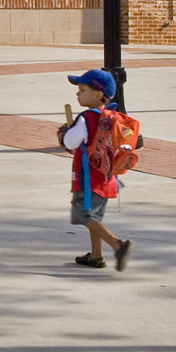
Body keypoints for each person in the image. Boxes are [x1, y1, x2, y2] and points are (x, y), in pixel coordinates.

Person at [56, 68, 132, 271]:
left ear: (98, 94)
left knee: (83, 215)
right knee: (95, 217)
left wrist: (64, 133)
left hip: (88, 177)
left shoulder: (87, 117)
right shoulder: (110, 116)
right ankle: (96, 255)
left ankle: (118, 244)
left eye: (82, 89)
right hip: (106, 177)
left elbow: (71, 142)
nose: (77, 94)